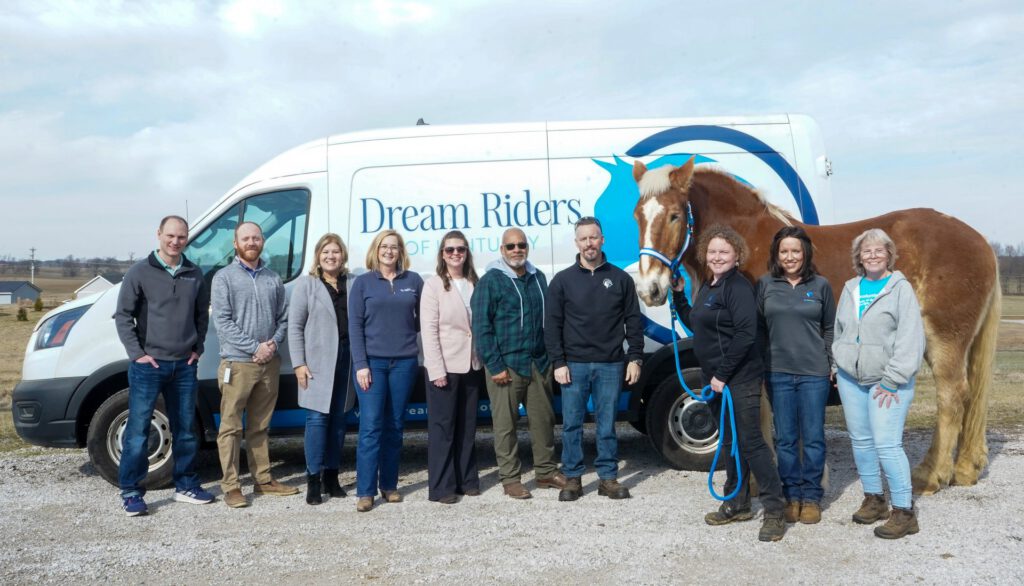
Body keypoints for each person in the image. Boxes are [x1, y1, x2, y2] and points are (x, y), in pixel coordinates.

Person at [671, 224, 786, 542]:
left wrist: (722, 375)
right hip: (717, 380)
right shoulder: (710, 286)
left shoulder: (737, 287)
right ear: (705, 256)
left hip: (740, 378)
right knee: (728, 442)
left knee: (751, 442)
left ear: (737, 256)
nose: (717, 256)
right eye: (712, 251)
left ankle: (775, 510)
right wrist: (679, 295)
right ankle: (738, 503)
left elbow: (746, 334)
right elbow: (695, 322)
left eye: (724, 251)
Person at [113, 215, 214, 516]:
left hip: (184, 365)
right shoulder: (139, 272)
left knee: (185, 430)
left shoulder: (194, 273)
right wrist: (137, 353)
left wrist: (198, 348)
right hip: (149, 366)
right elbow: (123, 316)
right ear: (158, 234)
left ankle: (185, 485)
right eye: (170, 235)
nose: (175, 241)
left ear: (186, 238)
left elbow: (201, 316)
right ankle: (131, 491)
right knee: (138, 431)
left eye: (181, 237)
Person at [833, 228, 925, 540]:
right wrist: (837, 362)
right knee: (860, 441)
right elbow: (840, 330)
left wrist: (893, 379)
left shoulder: (900, 289)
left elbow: (911, 338)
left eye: (878, 250)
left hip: (888, 382)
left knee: (887, 444)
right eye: (866, 251)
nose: (872, 255)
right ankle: (874, 499)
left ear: (888, 254)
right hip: (850, 378)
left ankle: (904, 511)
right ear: (859, 257)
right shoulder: (851, 288)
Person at [545, 217, 643, 501]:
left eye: (594, 237)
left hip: (611, 363)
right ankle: (573, 478)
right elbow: (552, 325)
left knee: (607, 423)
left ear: (602, 240)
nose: (589, 243)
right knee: (572, 423)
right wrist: (558, 362)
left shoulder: (621, 279)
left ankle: (608, 478)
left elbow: (633, 321)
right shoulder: (562, 281)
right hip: (573, 365)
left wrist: (635, 357)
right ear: (577, 243)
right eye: (584, 238)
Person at [471, 227, 566, 499]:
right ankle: (510, 478)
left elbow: (549, 320)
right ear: (502, 250)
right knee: (505, 425)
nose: (516, 250)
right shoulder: (491, 281)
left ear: (527, 247)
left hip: (537, 363)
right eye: (510, 246)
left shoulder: (539, 278)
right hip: (506, 365)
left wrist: (549, 359)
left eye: (521, 245)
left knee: (543, 421)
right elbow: (481, 326)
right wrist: (495, 364)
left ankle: (546, 471)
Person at [212, 221, 298, 508]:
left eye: (256, 238)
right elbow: (222, 321)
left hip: (268, 363)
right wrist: (255, 348)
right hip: (238, 363)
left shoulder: (273, 278)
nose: (252, 242)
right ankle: (232, 486)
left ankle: (263, 481)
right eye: (245, 238)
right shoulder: (223, 278)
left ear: (262, 242)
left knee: (260, 426)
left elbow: (284, 319)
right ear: (235, 244)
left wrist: (272, 344)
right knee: (231, 427)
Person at [756, 226, 836, 525]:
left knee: (813, 438)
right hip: (777, 373)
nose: (790, 257)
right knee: (787, 439)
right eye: (784, 251)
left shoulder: (821, 285)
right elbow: (760, 330)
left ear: (805, 254)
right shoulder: (765, 285)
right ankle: (791, 496)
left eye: (796, 251)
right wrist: (762, 367)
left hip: (814, 373)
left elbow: (830, 327)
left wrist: (830, 362)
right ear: (777, 255)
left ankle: (812, 497)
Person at [349, 229, 423, 512]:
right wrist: (361, 365)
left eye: (394, 247)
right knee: (370, 427)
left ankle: (389, 486)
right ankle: (365, 491)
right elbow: (355, 327)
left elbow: (420, 320)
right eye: (384, 246)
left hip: (404, 363)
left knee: (395, 426)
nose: (389, 251)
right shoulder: (364, 283)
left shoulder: (413, 281)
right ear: (376, 250)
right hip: (373, 365)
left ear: (401, 251)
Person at [288, 233, 352, 505]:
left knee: (339, 422)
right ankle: (313, 480)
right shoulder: (307, 285)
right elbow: (295, 327)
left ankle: (332, 477)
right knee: (316, 422)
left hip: (347, 361)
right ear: (318, 256)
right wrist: (299, 363)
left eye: (335, 252)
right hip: (316, 363)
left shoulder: (353, 283)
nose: (331, 256)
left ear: (343, 255)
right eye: (326, 252)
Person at [420, 230, 483, 504]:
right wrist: (437, 370)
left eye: (460, 249)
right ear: (442, 255)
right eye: (450, 250)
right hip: (445, 366)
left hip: (471, 364)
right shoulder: (433, 286)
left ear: (467, 252)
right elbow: (429, 331)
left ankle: (466, 480)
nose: (456, 254)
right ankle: (442, 487)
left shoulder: (474, 282)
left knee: (467, 427)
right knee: (443, 428)